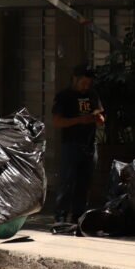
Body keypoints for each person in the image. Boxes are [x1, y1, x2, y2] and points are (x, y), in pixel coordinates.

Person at [52, 66, 105, 224]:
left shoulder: (92, 95)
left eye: (88, 83)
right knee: (67, 181)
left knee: (84, 182)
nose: (85, 86)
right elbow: (57, 121)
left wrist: (98, 119)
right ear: (74, 79)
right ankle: (60, 217)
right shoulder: (64, 96)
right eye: (83, 83)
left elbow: (101, 115)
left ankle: (78, 216)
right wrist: (79, 120)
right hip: (71, 144)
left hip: (89, 144)